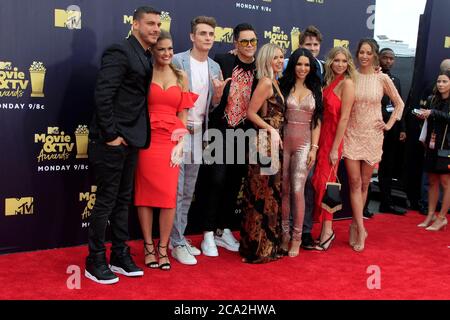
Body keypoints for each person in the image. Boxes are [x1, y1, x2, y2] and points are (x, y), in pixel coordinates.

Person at [85, 6, 161, 284]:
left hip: (131, 139)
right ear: (135, 24)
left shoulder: (145, 55)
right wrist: (111, 136)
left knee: (122, 201)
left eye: (158, 24)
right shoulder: (120, 51)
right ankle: (94, 259)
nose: (155, 28)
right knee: (106, 201)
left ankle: (119, 254)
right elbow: (103, 95)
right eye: (150, 23)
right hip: (112, 141)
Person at [134, 30, 198, 271]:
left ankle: (164, 248)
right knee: (145, 196)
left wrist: (180, 144)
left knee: (169, 197)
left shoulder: (181, 76)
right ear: (152, 50)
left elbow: (183, 113)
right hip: (146, 141)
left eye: (170, 49)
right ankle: (148, 247)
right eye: (161, 49)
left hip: (171, 141)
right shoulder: (144, 73)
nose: (167, 53)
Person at [197, 23, 258, 257]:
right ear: (235, 43)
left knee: (234, 182)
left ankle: (223, 230)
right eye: (244, 41)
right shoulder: (223, 60)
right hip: (220, 130)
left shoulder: (259, 67)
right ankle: (208, 234)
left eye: (253, 41)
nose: (249, 45)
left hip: (244, 133)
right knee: (215, 180)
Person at [169, 16, 223, 265]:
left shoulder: (214, 67)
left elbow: (212, 106)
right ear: (192, 36)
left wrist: (218, 96)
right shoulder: (178, 60)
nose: (208, 38)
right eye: (203, 33)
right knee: (176, 190)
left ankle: (177, 237)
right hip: (178, 133)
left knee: (188, 190)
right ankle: (176, 241)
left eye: (211, 34)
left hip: (201, 134)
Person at [343, 38, 404, 252]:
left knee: (365, 184)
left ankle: (353, 224)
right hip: (351, 134)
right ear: (357, 54)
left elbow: (399, 104)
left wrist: (388, 125)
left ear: (374, 55)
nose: (365, 56)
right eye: (361, 52)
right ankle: (361, 228)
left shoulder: (382, 78)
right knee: (353, 181)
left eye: (369, 52)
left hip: (372, 135)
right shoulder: (350, 76)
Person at [239, 43, 285, 263]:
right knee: (261, 196)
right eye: (275, 57)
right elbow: (250, 113)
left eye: (281, 57)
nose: (279, 61)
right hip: (263, 145)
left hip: (272, 144)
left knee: (270, 195)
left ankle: (265, 246)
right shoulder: (266, 82)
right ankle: (257, 249)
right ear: (266, 59)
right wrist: (271, 130)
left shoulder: (275, 81)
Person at [278, 48, 322, 257]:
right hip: (283, 144)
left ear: (311, 67)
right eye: (299, 64)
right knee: (284, 190)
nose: (303, 68)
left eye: (306, 65)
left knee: (297, 190)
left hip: (304, 145)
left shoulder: (315, 88)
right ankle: (284, 234)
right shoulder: (283, 86)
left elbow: (317, 122)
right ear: (292, 65)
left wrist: (314, 148)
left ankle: (297, 237)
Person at [312, 46, 356, 251]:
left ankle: (328, 231)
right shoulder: (328, 81)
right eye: (336, 60)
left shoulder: (347, 84)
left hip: (332, 142)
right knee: (317, 183)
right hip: (320, 139)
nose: (340, 64)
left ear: (348, 64)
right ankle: (323, 229)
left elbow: (344, 118)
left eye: (344, 61)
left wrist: (334, 148)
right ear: (330, 61)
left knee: (326, 185)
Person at [416, 70, 450, 231]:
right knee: (432, 181)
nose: (441, 84)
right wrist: (424, 115)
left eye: (444, 81)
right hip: (431, 145)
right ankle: (430, 214)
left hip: (447, 147)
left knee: (445, 182)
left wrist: (432, 113)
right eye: (439, 81)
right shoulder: (432, 99)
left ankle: (442, 217)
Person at [377, 48, 407, 215]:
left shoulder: (396, 80)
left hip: (392, 128)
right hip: (375, 127)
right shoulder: (374, 76)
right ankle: (363, 206)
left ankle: (386, 203)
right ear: (379, 58)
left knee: (388, 167)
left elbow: (399, 105)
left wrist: (402, 128)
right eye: (385, 57)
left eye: (391, 58)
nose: (388, 61)